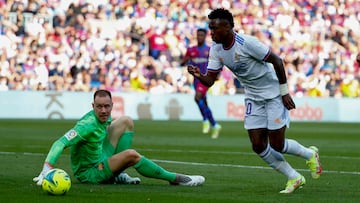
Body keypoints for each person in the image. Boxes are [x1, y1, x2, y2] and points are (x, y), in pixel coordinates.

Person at [187, 8, 322, 194]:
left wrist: (284, 92)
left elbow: (277, 61)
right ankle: (294, 177)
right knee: (258, 145)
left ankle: (309, 154)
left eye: (214, 28)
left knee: (277, 145)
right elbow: (210, 80)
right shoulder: (216, 49)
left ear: (228, 27)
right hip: (253, 96)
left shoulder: (247, 43)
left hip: (273, 94)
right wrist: (199, 75)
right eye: (210, 28)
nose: (211, 33)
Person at [33, 89, 205, 187]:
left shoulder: (106, 116)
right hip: (90, 173)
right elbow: (60, 142)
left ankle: (118, 174)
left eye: (106, 106)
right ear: (93, 106)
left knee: (126, 121)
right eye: (99, 107)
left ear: (111, 105)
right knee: (131, 155)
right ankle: (176, 179)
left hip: (100, 157)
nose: (103, 111)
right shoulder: (86, 125)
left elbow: (106, 130)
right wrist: (47, 168)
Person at [181, 28, 221, 139]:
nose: (199, 37)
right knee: (203, 102)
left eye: (202, 35)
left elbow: (217, 63)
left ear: (205, 36)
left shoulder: (209, 50)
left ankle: (205, 120)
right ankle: (214, 124)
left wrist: (217, 75)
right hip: (195, 79)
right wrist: (185, 61)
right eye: (198, 35)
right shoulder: (191, 50)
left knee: (197, 98)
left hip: (205, 79)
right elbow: (183, 61)